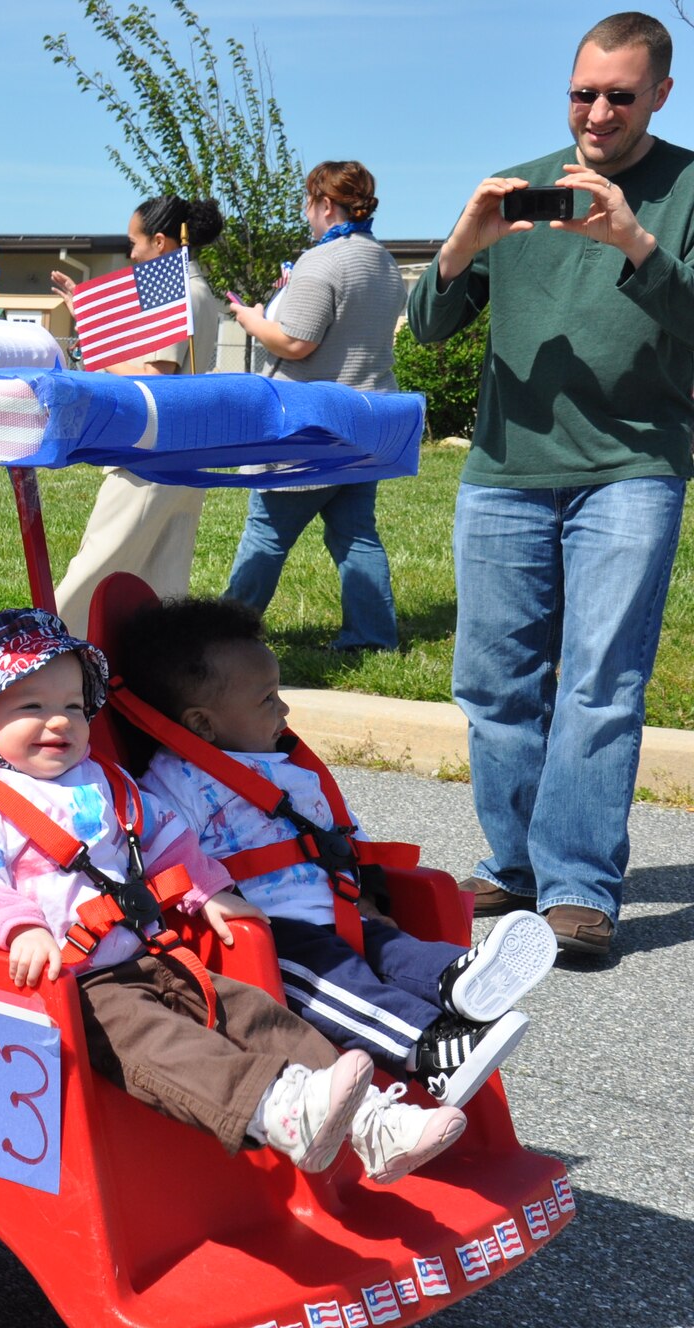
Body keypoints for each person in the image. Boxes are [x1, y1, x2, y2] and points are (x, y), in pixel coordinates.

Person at [0, 607, 467, 1183]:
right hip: (76, 984)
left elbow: (164, 837)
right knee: (161, 1043)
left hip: (152, 950)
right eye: (31, 707)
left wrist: (208, 890)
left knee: (255, 1013)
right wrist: (21, 927)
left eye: (74, 708)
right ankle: (273, 1112)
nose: (59, 723)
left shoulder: (99, 778)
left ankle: (375, 1124)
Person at [406, 11, 693, 958]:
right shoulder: (524, 184)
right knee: (493, 682)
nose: (598, 112)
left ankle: (576, 885)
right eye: (583, 92)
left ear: (661, 92)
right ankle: (516, 863)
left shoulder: (686, 187)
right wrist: (462, 244)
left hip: (630, 468)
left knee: (601, 685)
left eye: (620, 94)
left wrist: (636, 247)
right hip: (505, 469)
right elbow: (433, 325)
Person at [123, 596, 558, 1108]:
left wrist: (367, 895)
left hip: (340, 909)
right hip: (270, 933)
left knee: (395, 950)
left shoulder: (288, 766)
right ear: (202, 724)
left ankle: (459, 980)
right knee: (341, 979)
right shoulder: (176, 780)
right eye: (267, 699)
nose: (283, 710)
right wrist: (210, 895)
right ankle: (429, 1048)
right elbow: (163, 851)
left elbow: (341, 833)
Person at [223, 163, 407, 652]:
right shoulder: (383, 262)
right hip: (367, 423)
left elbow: (294, 342)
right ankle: (372, 637)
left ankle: (225, 635)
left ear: (325, 204)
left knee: (265, 534)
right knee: (355, 535)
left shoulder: (321, 261)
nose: (307, 214)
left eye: (308, 203)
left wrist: (251, 318)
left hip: (309, 424)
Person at [51, 196, 226, 637]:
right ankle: (153, 672)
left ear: (161, 242)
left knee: (94, 570)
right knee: (163, 584)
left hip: (150, 452)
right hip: (184, 449)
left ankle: (38, 649)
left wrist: (92, 336)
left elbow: (155, 376)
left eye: (135, 243)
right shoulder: (198, 289)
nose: (132, 254)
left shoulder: (176, 291)